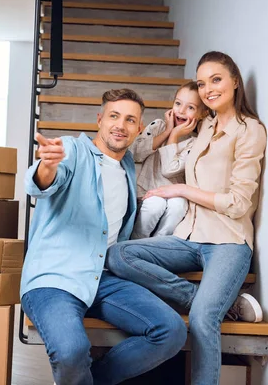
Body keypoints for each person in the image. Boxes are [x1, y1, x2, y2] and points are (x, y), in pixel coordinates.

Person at [106, 52, 267, 385]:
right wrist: (174, 136)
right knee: (119, 254)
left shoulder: (249, 131)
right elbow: (173, 170)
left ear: (235, 81)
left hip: (228, 241)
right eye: (202, 82)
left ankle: (210, 305)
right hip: (188, 236)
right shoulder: (204, 126)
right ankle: (228, 303)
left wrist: (180, 192)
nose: (208, 88)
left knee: (203, 318)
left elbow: (238, 203)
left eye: (216, 79)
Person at [20, 89, 187, 385]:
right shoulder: (72, 150)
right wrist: (47, 165)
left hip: (103, 278)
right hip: (55, 278)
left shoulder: (126, 166)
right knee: (71, 352)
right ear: (99, 119)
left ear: (139, 128)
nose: (120, 125)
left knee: (171, 331)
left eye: (129, 120)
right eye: (113, 116)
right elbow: (41, 183)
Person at [129, 81, 208, 239]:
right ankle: (137, 240)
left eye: (190, 107)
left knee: (179, 205)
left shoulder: (196, 142)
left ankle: (159, 243)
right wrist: (167, 132)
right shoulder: (158, 126)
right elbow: (136, 153)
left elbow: (169, 169)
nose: (182, 111)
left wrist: (175, 136)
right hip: (147, 193)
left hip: (174, 195)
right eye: (178, 103)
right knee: (154, 205)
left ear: (202, 114)